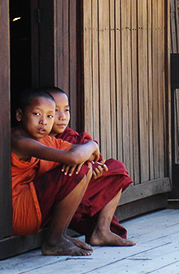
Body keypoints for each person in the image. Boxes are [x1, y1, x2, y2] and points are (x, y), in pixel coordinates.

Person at [11, 88, 99, 256]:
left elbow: (80, 153)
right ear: (19, 115)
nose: (44, 122)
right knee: (76, 169)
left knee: (81, 166)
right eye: (37, 114)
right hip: (20, 214)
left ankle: (61, 235)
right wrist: (92, 145)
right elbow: (74, 157)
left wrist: (86, 151)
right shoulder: (20, 140)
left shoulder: (45, 140)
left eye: (49, 116)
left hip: (33, 207)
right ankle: (53, 241)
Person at [44, 86, 135, 246]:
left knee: (116, 169)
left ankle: (103, 229)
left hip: (79, 196)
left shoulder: (72, 137)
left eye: (66, 110)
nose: (62, 117)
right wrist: (83, 167)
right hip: (54, 200)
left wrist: (91, 167)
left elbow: (95, 159)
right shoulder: (37, 140)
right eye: (55, 111)